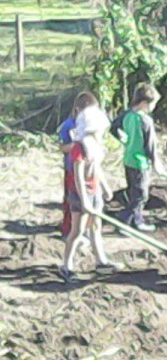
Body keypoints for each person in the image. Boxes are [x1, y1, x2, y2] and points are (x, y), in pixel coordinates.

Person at [60, 105, 121, 283]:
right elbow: (78, 175)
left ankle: (101, 262)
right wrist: (85, 200)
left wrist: (105, 187)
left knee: (96, 227)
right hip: (80, 194)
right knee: (78, 231)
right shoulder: (79, 147)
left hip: (94, 191)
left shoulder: (94, 146)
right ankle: (67, 266)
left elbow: (96, 169)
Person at [110, 83, 164, 232]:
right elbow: (150, 145)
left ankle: (137, 221)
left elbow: (113, 128)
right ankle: (124, 222)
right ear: (144, 103)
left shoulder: (126, 115)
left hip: (128, 160)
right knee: (141, 196)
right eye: (153, 104)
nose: (153, 108)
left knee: (134, 193)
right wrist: (156, 163)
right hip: (140, 163)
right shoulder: (146, 121)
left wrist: (122, 138)